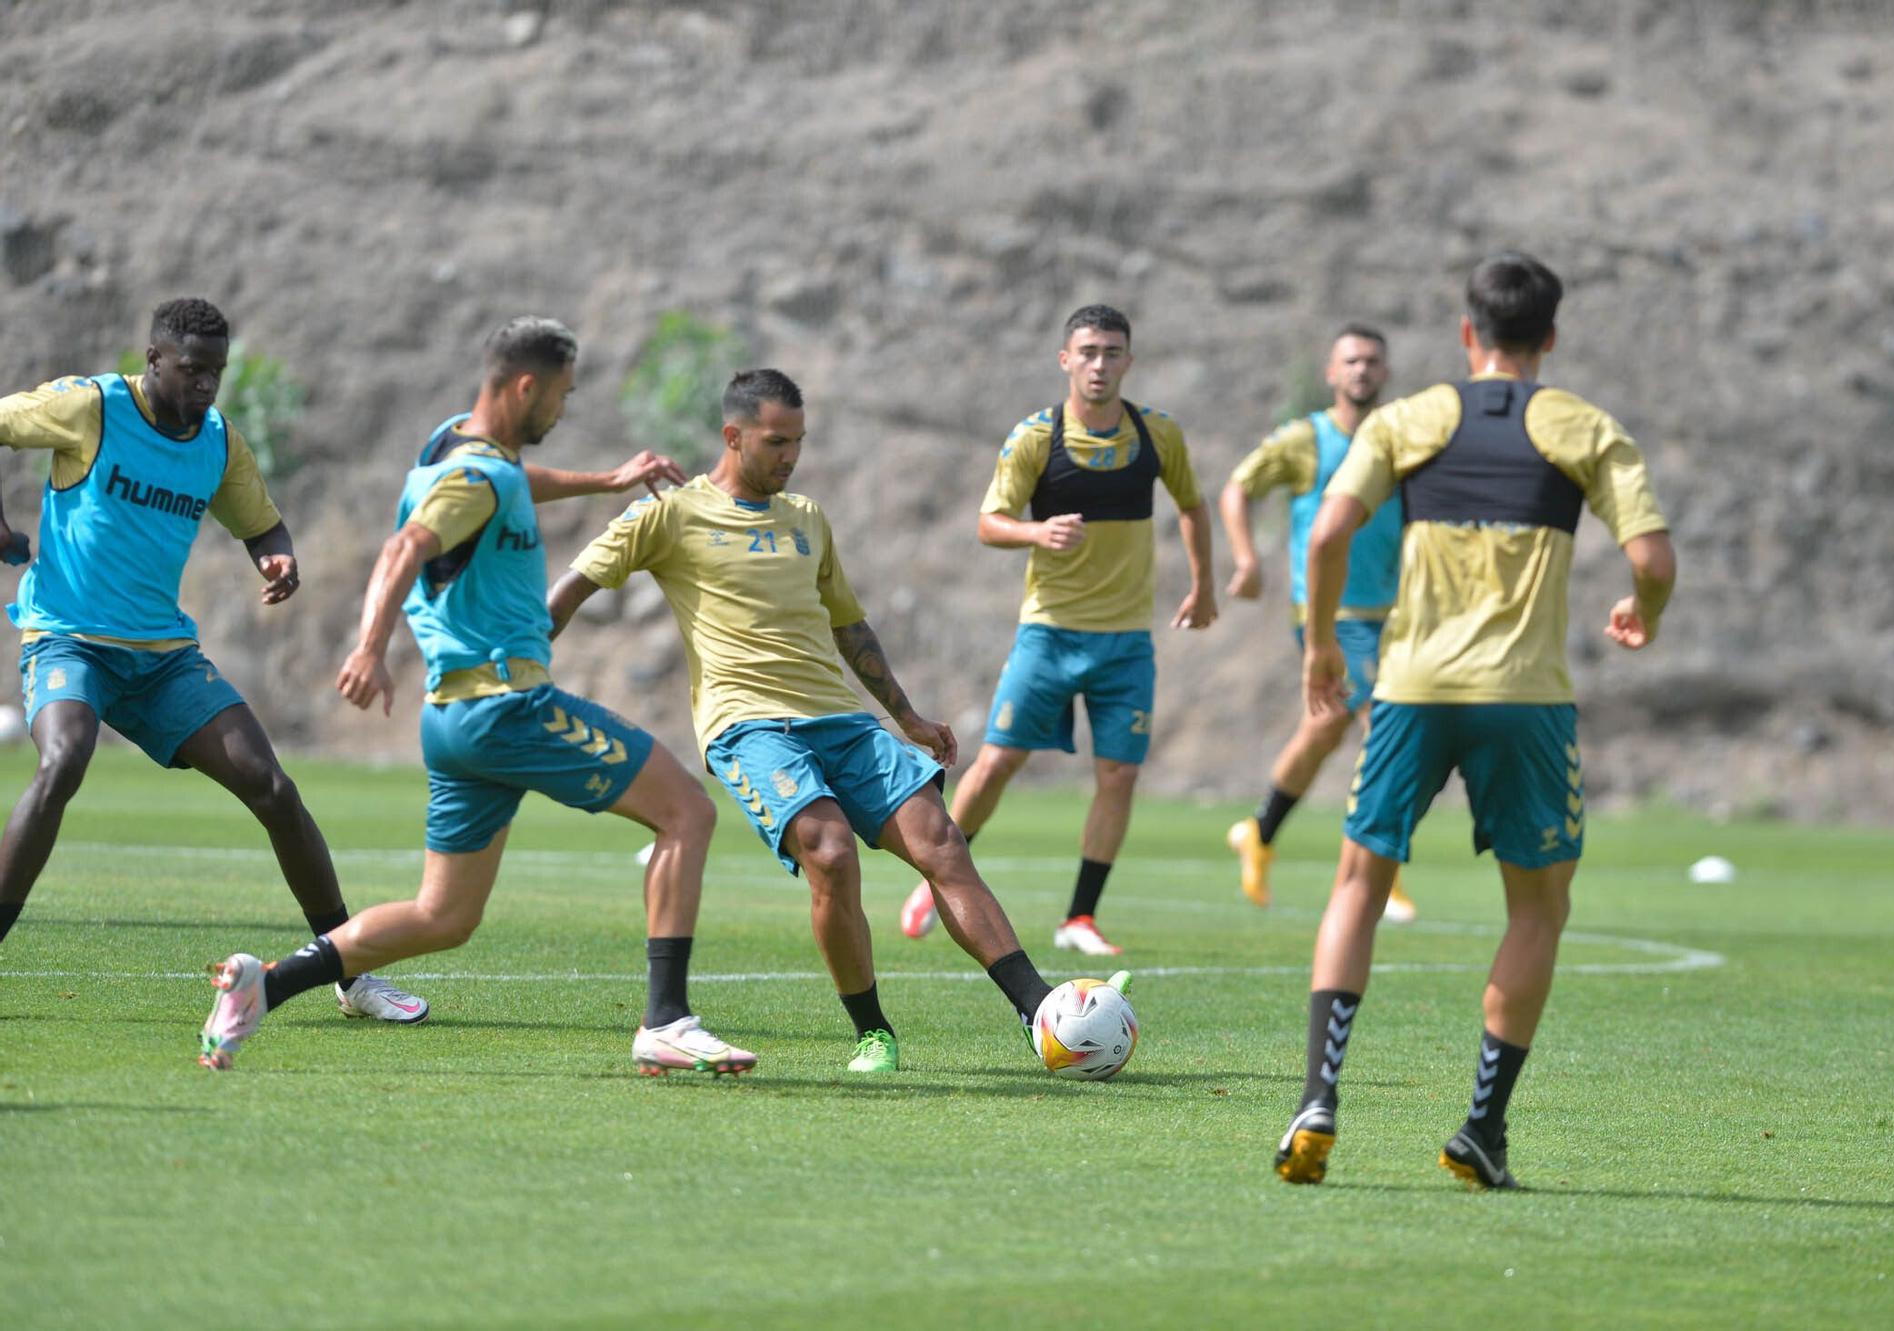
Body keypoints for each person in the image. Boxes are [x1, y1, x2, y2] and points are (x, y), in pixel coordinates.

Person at [197, 315, 753, 1079]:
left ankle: (270, 982)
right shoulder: (475, 476)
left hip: (452, 720)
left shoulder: (450, 445)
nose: (563, 409)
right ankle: (666, 1019)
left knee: (444, 916)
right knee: (687, 810)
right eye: (560, 395)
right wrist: (368, 647)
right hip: (509, 704)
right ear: (525, 386)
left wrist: (604, 479)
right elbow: (406, 546)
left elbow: (508, 485)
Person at [548, 369, 1121, 1073]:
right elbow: (571, 589)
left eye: (799, 441)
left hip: (841, 719)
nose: (790, 455)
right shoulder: (670, 515)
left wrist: (905, 715)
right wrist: (515, 666)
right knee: (830, 851)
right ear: (733, 436)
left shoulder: (806, 519)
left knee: (942, 841)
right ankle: (873, 1031)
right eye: (776, 441)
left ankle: (1040, 1013)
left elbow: (851, 627)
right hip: (747, 725)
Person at [1271, 253, 1676, 1189]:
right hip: (1525, 699)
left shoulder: (1408, 419)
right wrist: (1643, 614)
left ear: (1468, 335)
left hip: (1412, 689)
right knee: (1538, 905)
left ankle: (1317, 1099)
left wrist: (1320, 647)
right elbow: (1651, 557)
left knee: (1358, 881)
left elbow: (1328, 533)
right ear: (1551, 339)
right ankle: (1482, 1127)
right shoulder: (1583, 427)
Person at [0, 296, 425, 1023]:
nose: (204, 385)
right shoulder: (92, 406)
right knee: (62, 759)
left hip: (163, 659)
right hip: (69, 637)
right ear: (154, 360)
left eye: (216, 372)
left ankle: (347, 970)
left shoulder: (218, 441)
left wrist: (277, 556)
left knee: (274, 788)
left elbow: (262, 523)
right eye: (191, 370)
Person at [900, 304, 1216, 957]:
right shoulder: (1036, 438)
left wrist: (1204, 584)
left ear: (1129, 360)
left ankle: (1080, 917)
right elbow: (990, 521)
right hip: (1049, 633)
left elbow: (1192, 504)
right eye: (1089, 351)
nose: (1100, 364)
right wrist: (1036, 530)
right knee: (995, 763)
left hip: (1126, 640)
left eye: (1112, 352)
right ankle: (938, 876)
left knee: (1120, 776)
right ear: (1065, 359)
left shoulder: (1158, 435)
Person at [1218, 325, 1417, 921]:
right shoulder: (1305, 440)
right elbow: (1238, 488)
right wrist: (1247, 558)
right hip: (1330, 614)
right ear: (1331, 373)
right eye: (1351, 361)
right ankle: (1379, 874)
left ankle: (1259, 832)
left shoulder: (1401, 440)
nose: (1362, 370)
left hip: (1395, 612)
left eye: (1372, 362)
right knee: (1386, 723)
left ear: (1385, 373)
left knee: (1325, 731)